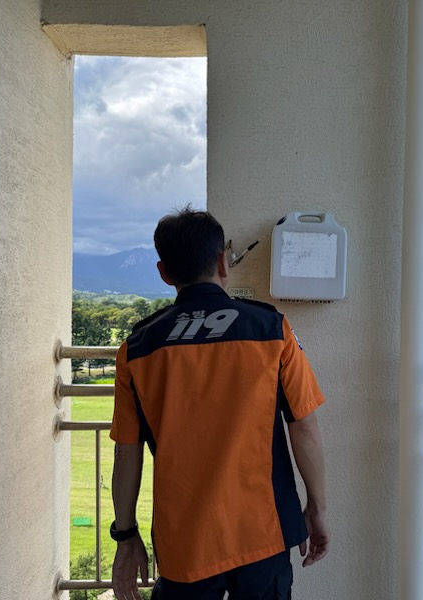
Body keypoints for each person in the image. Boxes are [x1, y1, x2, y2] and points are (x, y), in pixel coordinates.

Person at [109, 208, 330, 600]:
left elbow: (127, 453)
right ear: (222, 262)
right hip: (262, 532)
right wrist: (316, 509)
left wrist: (125, 536)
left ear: (164, 273)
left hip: (184, 542)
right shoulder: (271, 329)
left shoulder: (137, 348)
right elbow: (305, 427)